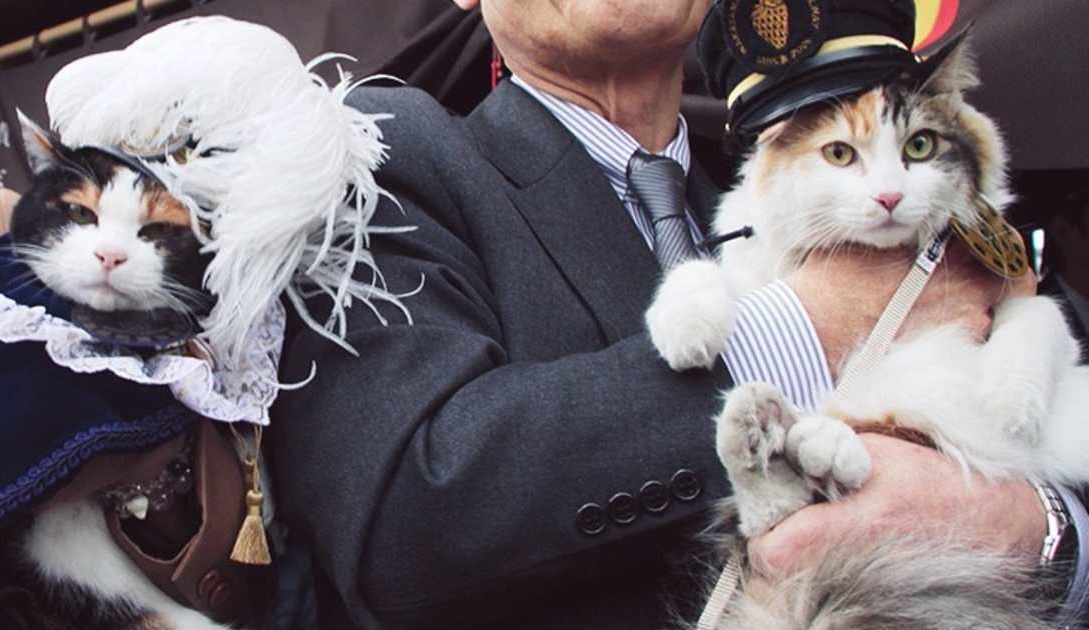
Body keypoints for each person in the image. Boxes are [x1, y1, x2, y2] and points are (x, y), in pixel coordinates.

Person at [269, 1, 1086, 628]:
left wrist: (1036, 528)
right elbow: (408, 519)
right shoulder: (386, 155)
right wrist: (804, 328)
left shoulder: (800, 167)